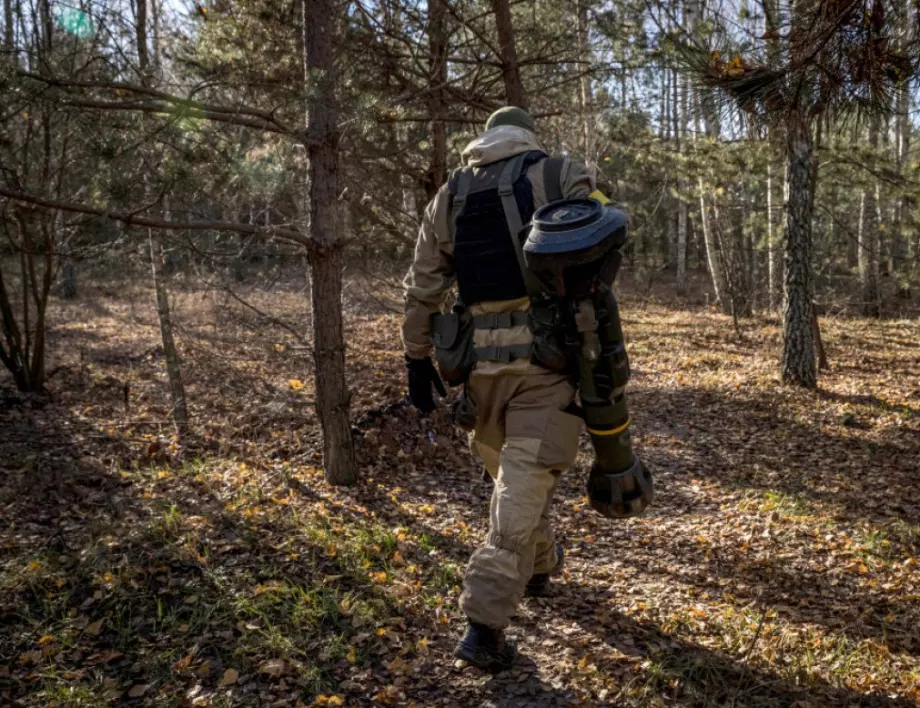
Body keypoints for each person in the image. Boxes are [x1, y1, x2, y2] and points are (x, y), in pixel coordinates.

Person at [401, 106, 621, 672]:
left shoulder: (448, 195)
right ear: (526, 137)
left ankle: (540, 566)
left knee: (516, 483)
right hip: (545, 367)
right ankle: (484, 625)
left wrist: (415, 359)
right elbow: (605, 237)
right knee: (517, 488)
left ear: (486, 141)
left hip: (479, 374)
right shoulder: (559, 172)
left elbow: (423, 286)